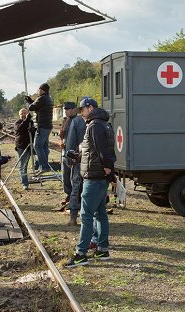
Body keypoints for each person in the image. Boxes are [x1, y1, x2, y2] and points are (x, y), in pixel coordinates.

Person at [65, 98, 116, 268]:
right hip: (98, 176)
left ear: (91, 107)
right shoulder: (103, 124)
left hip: (94, 177)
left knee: (86, 215)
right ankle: (102, 248)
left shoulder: (94, 125)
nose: (80, 113)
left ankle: (81, 254)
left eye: (82, 110)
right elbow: (96, 150)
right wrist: (79, 156)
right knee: (100, 213)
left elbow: (102, 150)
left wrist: (108, 167)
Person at [63, 102, 86, 226]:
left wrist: (69, 158)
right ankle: (86, 216)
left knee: (76, 186)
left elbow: (71, 141)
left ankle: (73, 217)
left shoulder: (76, 122)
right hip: (92, 160)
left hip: (79, 159)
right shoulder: (98, 121)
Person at [25, 83, 53, 174]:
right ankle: (43, 166)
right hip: (47, 126)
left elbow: (32, 107)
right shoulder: (48, 98)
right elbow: (38, 105)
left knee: (37, 145)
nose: (37, 91)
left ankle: (44, 166)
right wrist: (32, 101)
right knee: (44, 146)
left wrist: (29, 102)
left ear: (42, 90)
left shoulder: (42, 98)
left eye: (38, 89)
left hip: (42, 126)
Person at [14, 108, 34, 190]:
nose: (23, 114)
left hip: (31, 145)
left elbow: (34, 132)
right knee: (23, 165)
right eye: (22, 113)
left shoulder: (30, 122)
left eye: (25, 113)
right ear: (19, 115)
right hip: (22, 146)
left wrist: (33, 130)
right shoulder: (17, 123)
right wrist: (27, 119)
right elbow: (20, 128)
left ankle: (36, 175)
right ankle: (25, 183)